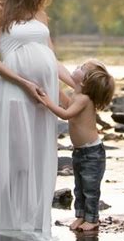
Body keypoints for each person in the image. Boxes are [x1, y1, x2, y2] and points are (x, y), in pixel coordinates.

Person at [0, 0, 75, 236]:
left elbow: (52, 60)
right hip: (14, 92)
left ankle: (33, 222)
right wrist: (23, 83)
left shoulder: (40, 15)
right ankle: (10, 224)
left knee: (39, 157)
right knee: (19, 160)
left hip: (44, 98)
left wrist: (78, 90)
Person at [40, 59, 115, 231]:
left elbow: (66, 114)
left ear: (84, 80)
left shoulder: (84, 99)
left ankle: (92, 219)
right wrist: (55, 90)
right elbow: (68, 104)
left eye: (82, 68)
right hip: (80, 152)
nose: (77, 67)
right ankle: (81, 217)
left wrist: (47, 101)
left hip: (92, 153)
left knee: (90, 189)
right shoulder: (77, 95)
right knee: (79, 188)